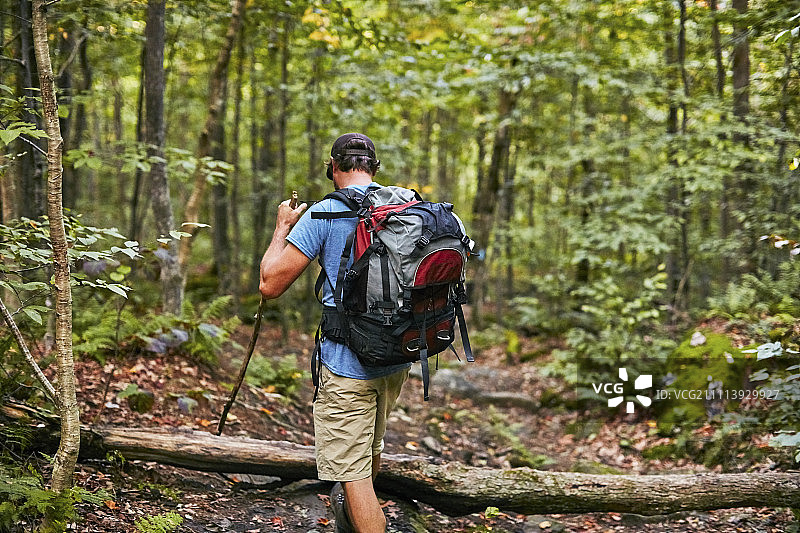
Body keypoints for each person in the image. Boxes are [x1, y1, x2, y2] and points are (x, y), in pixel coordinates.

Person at [259, 133, 410, 533]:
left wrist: (282, 227)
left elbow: (270, 284)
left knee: (352, 472)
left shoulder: (324, 213)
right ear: (373, 167)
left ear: (333, 167)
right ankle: (357, 515)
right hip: (396, 357)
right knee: (369, 448)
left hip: (346, 365)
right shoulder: (403, 207)